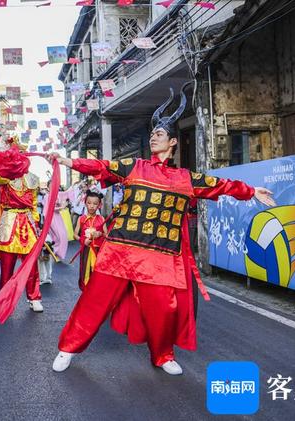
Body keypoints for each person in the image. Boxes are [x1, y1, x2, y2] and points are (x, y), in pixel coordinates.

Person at [49, 87, 276, 376]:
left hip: (160, 257)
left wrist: (251, 190)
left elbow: (218, 185)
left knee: (164, 311)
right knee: (94, 301)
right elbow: (103, 167)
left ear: (172, 142)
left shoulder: (185, 178)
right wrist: (68, 161)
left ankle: (162, 355)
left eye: (160, 133)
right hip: (121, 250)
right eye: (153, 132)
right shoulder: (134, 166)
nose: (154, 136)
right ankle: (68, 348)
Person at [0, 147, 43, 313]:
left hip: (27, 224)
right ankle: (4, 299)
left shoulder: (34, 179)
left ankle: (34, 297)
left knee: (31, 265)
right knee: (6, 266)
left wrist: (35, 222)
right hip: (9, 223)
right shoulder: (4, 177)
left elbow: (34, 205)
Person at [74, 191, 106, 291]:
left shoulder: (101, 218)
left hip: (98, 251)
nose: (92, 206)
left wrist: (100, 234)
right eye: (89, 203)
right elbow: (75, 235)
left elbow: (106, 235)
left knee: (97, 273)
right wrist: (83, 240)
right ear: (85, 202)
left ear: (99, 205)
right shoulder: (81, 219)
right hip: (86, 251)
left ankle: (95, 293)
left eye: (95, 204)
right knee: (85, 272)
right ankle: (86, 291)